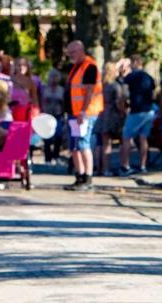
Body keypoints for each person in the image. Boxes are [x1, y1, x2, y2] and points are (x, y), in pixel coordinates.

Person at [63, 40, 103, 191]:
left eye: (72, 53)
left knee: (83, 143)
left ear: (80, 50)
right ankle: (79, 176)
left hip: (84, 113)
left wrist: (83, 112)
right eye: (69, 53)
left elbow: (89, 91)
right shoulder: (76, 67)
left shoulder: (89, 66)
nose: (70, 56)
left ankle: (88, 177)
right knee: (74, 146)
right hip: (74, 113)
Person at [119, 54, 156, 175]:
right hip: (149, 110)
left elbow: (124, 94)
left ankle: (125, 165)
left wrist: (124, 105)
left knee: (126, 137)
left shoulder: (130, 77)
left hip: (136, 111)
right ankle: (143, 165)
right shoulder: (149, 77)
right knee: (143, 138)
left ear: (135, 62)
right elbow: (154, 95)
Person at [95, 61, 125, 177]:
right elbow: (119, 102)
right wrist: (123, 113)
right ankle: (119, 166)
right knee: (120, 141)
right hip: (113, 115)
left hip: (102, 114)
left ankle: (101, 168)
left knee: (102, 144)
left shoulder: (101, 85)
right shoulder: (115, 85)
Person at [40, 68, 65, 165]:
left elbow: (64, 103)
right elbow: (42, 101)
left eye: (55, 77)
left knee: (58, 136)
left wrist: (63, 114)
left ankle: (56, 155)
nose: (53, 79)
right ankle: (47, 158)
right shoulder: (45, 89)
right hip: (47, 116)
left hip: (58, 115)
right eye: (52, 77)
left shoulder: (61, 90)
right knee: (47, 138)